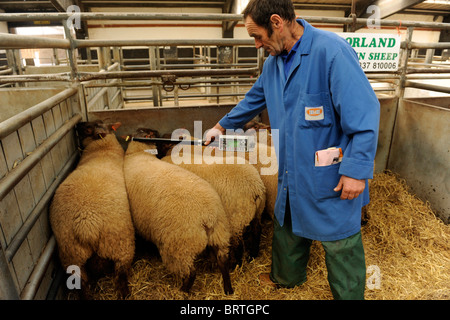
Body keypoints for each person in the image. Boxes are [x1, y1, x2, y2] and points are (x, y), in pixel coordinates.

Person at [204, 0, 380, 300]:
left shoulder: (331, 52)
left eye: (257, 36)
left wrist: (356, 170)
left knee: (340, 240)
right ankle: (286, 278)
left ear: (277, 22)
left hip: (331, 173)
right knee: (287, 224)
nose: (258, 45)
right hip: (290, 167)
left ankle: (349, 295)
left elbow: (364, 114)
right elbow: (254, 99)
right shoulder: (273, 63)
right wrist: (221, 126)